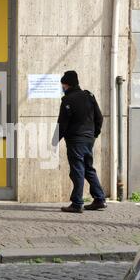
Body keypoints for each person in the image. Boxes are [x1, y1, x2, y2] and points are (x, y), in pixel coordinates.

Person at [52, 71, 107, 213]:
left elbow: (62, 123)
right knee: (88, 168)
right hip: (89, 139)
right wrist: (94, 134)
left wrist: (54, 141)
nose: (62, 87)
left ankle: (77, 203)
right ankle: (99, 199)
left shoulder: (67, 100)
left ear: (66, 84)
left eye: (63, 84)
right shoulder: (89, 96)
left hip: (76, 139)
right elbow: (99, 117)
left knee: (77, 170)